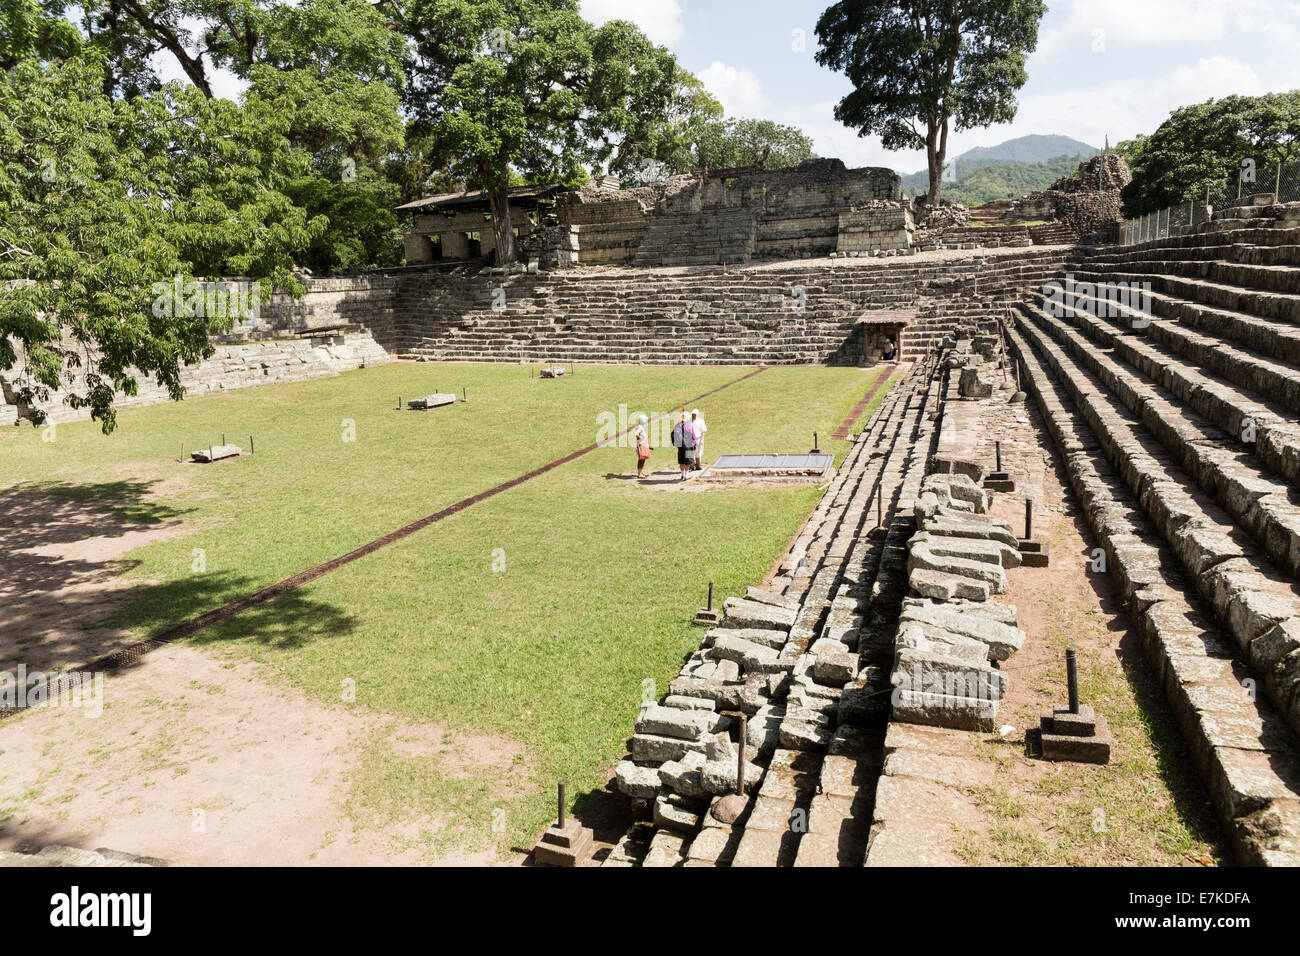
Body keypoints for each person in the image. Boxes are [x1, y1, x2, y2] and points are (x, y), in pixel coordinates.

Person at [671, 411, 696, 481]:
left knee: (681, 460)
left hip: (680, 445)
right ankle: (687, 475)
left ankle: (682, 475)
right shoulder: (689, 426)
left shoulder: (676, 425)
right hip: (688, 445)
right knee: (688, 461)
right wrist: (695, 445)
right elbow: (693, 437)